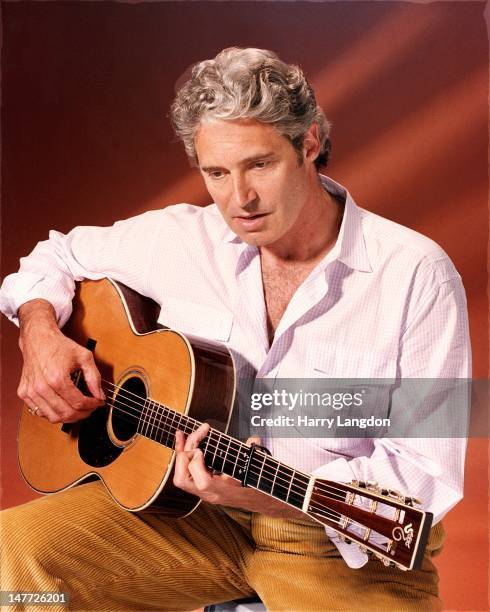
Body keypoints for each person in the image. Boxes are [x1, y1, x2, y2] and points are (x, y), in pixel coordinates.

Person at [0, 47, 470, 611]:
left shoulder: (416, 274)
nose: (239, 199)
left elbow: (424, 480)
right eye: (216, 173)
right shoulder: (182, 238)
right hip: (194, 521)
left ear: (310, 143)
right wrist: (40, 334)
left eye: (260, 165)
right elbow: (51, 258)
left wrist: (276, 498)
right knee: (14, 562)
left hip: (333, 544)